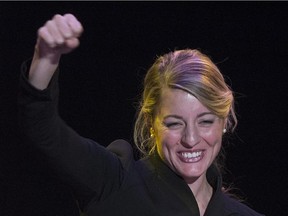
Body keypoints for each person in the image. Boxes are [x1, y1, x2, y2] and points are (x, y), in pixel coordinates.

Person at [18, 14, 265, 216]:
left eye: (205, 121)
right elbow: (43, 128)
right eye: (174, 123)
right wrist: (46, 57)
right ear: (151, 124)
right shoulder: (114, 183)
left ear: (224, 121)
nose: (191, 138)